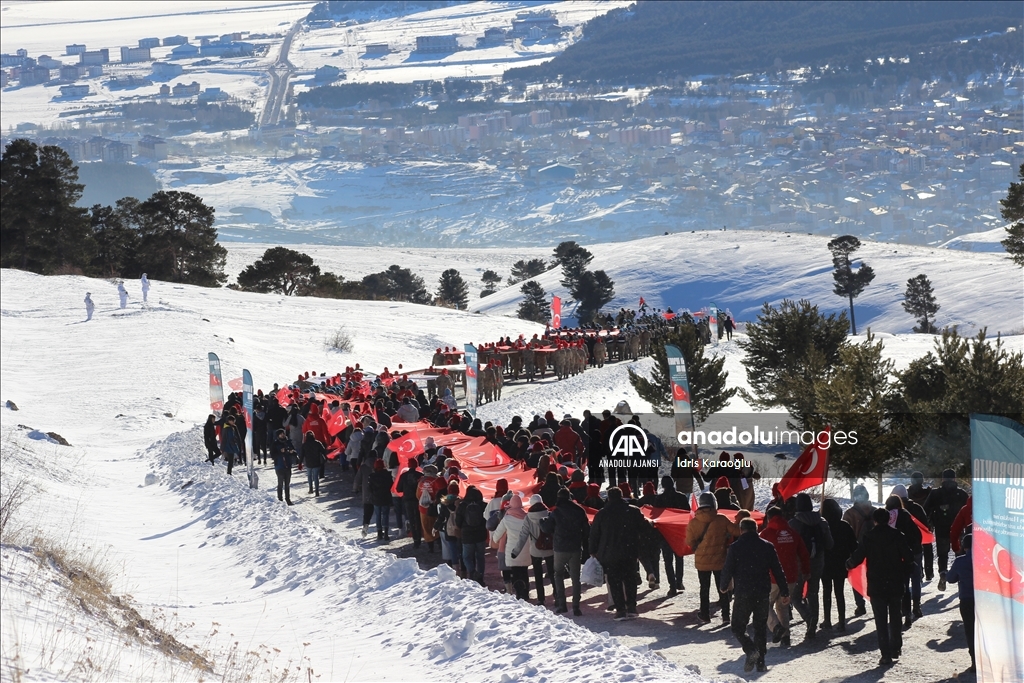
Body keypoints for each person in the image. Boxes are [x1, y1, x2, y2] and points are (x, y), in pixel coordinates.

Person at [720, 518, 790, 673]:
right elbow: (778, 570)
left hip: (743, 593)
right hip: (762, 593)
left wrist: (723, 586)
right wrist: (784, 591)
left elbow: (728, 568)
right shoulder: (767, 546)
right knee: (760, 628)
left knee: (738, 627)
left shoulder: (735, 547)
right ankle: (761, 663)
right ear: (756, 530)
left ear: (741, 530)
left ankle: (750, 649)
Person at [846, 508, 914, 667]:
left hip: (876, 584)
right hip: (895, 582)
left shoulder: (868, 537)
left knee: (881, 621)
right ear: (889, 519)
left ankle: (885, 655)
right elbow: (909, 557)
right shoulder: (898, 536)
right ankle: (896, 647)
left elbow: (858, 556)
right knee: (896, 617)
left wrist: (848, 564)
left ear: (875, 521)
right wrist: (903, 569)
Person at [589, 486, 648, 620]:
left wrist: (592, 550)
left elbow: (594, 535)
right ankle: (632, 607)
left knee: (614, 581)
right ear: (622, 496)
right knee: (630, 579)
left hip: (609, 553)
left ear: (608, 498)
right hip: (630, 551)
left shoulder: (602, 514)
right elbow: (644, 529)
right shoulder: (633, 511)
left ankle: (620, 609)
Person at [686, 491, 741, 624]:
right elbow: (737, 531)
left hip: (702, 562)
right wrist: (740, 519)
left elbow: (689, 542)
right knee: (722, 588)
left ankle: (705, 615)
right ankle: (726, 616)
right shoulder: (721, 519)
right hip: (719, 560)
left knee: (704, 588)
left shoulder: (694, 522)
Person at [760, 507, 808, 648]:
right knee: (783, 606)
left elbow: (759, 555)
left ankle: (776, 628)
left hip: (772, 577)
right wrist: (806, 571)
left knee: (764, 604)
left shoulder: (765, 534)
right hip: (791, 576)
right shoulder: (793, 533)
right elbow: (803, 553)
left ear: (769, 518)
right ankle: (786, 637)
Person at [788, 492, 834, 641]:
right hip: (818, 561)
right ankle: (812, 627)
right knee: (813, 593)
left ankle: (809, 618)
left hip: (800, 563)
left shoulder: (793, 523)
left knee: (795, 596)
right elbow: (830, 544)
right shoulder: (822, 521)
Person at [543, 487, 590, 615]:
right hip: (575, 547)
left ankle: (562, 604)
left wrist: (543, 522)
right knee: (576, 578)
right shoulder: (579, 511)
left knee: (558, 574)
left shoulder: (556, 512)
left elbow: (547, 528)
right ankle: (576, 606)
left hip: (560, 548)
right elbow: (587, 530)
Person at [925, 469, 969, 592]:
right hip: (959, 530)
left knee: (943, 555)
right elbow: (970, 510)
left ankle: (943, 573)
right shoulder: (962, 493)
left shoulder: (935, 493)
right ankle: (961, 579)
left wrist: (928, 524)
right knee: (959, 555)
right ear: (955, 479)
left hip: (941, 529)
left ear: (943, 479)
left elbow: (926, 510)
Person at [820, 498, 858, 631]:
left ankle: (827, 620)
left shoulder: (821, 525)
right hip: (841, 564)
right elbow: (854, 546)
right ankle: (841, 621)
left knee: (826, 592)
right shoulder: (844, 525)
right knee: (839, 592)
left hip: (825, 564)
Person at [511, 494, 555, 606]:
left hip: (535, 550)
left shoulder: (528, 517)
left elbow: (523, 535)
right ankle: (557, 595)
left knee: (538, 574)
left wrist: (516, 551)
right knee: (552, 573)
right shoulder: (549, 514)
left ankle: (541, 598)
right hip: (550, 548)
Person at [842, 484, 876, 616]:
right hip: (875, 550)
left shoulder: (849, 514)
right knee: (873, 577)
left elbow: (845, 534)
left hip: (856, 549)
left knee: (856, 576)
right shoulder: (876, 511)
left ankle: (860, 605)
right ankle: (875, 601)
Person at [946, 533, 975, 673]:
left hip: (967, 599)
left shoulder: (960, 561)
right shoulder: (986, 560)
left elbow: (951, 579)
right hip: (985, 600)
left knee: (970, 630)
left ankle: (975, 661)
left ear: (964, 546)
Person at [493, 494, 531, 600]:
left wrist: (495, 540)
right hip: (526, 550)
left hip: (512, 552)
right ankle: (526, 593)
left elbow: (497, 535)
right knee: (524, 572)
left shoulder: (507, 519)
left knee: (515, 573)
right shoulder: (527, 517)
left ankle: (519, 594)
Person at [655, 475, 689, 596]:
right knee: (679, 557)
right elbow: (687, 514)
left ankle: (672, 586)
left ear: (663, 485)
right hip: (679, 532)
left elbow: (655, 517)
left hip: (665, 534)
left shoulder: (659, 499)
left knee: (668, 561)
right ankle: (679, 581)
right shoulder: (681, 497)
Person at [456, 486, 488, 584]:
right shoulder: (483, 505)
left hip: (467, 535)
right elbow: (486, 519)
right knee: (480, 557)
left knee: (466, 557)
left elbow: (458, 522)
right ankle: (481, 576)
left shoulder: (462, 505)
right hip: (481, 534)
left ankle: (473, 572)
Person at [907, 472, 934, 580]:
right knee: (928, 549)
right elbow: (933, 508)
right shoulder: (928, 493)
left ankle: (919, 571)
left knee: (915, 549)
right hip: (926, 523)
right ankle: (929, 572)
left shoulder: (908, 493)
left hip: (911, 525)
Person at [416, 465, 446, 552]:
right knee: (437, 525)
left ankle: (430, 547)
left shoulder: (421, 481)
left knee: (426, 527)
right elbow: (442, 494)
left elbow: (418, 495)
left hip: (423, 509)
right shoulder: (438, 480)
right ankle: (440, 545)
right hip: (435, 508)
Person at [399, 459, 424, 548]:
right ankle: (419, 536)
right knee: (418, 518)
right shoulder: (420, 475)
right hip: (418, 499)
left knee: (411, 518)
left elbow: (399, 488)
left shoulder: (404, 476)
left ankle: (415, 539)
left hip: (407, 499)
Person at [368, 459, 394, 541]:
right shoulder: (387, 475)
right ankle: (386, 533)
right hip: (386, 497)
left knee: (378, 515)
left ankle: (379, 533)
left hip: (376, 498)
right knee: (385, 515)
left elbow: (369, 488)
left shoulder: (372, 476)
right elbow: (391, 485)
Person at [269, 429, 296, 505]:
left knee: (287, 484)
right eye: (281, 434)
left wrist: (292, 452)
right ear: (278, 436)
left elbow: (294, 452)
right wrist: (280, 452)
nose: (283, 435)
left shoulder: (288, 442)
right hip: (279, 466)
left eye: (283, 434)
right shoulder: (275, 444)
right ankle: (280, 499)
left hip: (288, 465)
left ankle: (288, 499)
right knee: (280, 483)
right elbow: (273, 456)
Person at [301, 431, 326, 497]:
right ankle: (317, 491)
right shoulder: (317, 443)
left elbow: (302, 455)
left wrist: (300, 462)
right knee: (316, 477)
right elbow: (323, 450)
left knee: (309, 476)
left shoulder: (305, 445)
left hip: (308, 462)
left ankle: (310, 488)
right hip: (316, 462)